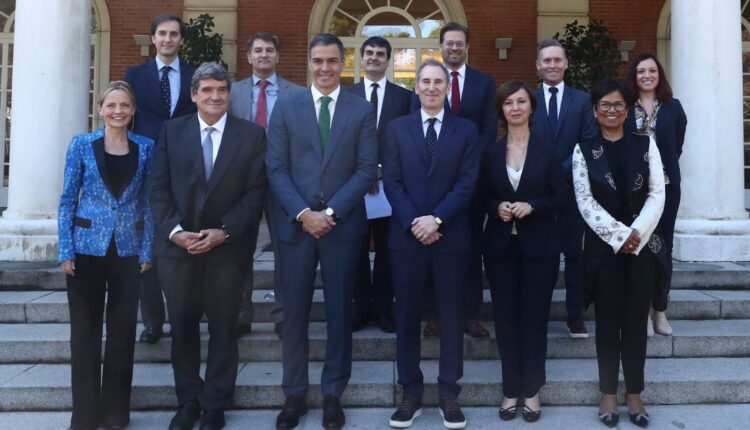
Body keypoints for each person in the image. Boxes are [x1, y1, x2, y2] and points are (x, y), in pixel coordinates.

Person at [266, 33, 377, 430]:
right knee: (293, 314)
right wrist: (303, 213)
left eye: (332, 60)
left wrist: (329, 212)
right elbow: (276, 168)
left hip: (341, 227)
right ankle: (294, 394)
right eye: (318, 60)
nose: (325, 68)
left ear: (343, 63)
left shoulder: (361, 110)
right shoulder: (286, 107)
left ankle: (333, 393)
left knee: (339, 314)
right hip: (295, 228)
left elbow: (366, 168)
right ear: (309, 63)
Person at [150, 62, 267, 430]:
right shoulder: (171, 132)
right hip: (178, 249)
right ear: (194, 95)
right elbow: (157, 187)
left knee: (224, 329)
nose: (215, 96)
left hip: (227, 251)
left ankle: (215, 402)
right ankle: (188, 401)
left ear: (229, 94)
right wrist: (175, 231)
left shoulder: (251, 135)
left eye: (222, 90)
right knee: (182, 328)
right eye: (207, 90)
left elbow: (256, 192)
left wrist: (224, 232)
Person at [384, 59, 480, 430]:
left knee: (451, 317)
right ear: (416, 86)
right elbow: (392, 183)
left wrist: (436, 219)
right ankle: (410, 391)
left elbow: (467, 183)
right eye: (425, 81)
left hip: (450, 238)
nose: (431, 87)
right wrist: (416, 222)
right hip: (407, 239)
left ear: (447, 87)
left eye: (438, 82)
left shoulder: (465, 130)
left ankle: (448, 392)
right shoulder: (397, 129)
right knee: (407, 317)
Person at [57, 80, 154, 430]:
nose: (118, 111)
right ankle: (84, 414)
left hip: (128, 250)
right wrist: (65, 249)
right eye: (111, 105)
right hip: (86, 250)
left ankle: (115, 413)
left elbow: (149, 202)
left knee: (122, 334)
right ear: (100, 109)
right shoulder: (81, 145)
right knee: (84, 335)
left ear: (133, 110)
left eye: (124, 105)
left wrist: (147, 249)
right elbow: (67, 199)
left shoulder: (146, 147)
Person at [572, 79, 667, 428]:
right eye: (605, 105)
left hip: (641, 247)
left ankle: (635, 394)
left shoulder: (645, 144)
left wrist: (635, 233)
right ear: (595, 111)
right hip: (603, 250)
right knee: (607, 324)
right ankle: (608, 393)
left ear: (627, 111)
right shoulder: (584, 149)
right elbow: (585, 200)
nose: (611, 111)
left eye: (618, 105)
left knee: (636, 324)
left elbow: (657, 193)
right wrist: (618, 235)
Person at [480, 81, 566, 423]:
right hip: (500, 247)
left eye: (521, 102)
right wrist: (496, 207)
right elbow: (481, 196)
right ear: (501, 110)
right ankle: (509, 390)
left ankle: (531, 390)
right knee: (505, 320)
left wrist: (533, 206)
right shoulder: (490, 153)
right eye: (508, 103)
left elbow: (560, 196)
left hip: (539, 247)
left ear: (531, 107)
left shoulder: (547, 150)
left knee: (534, 320)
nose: (515, 108)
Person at [418, 22, 497, 339]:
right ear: (440, 46)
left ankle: (469, 314)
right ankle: (434, 314)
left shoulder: (484, 83)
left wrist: (468, 167)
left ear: (467, 47)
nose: (453, 47)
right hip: (432, 183)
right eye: (448, 43)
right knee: (431, 245)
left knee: (470, 248)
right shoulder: (429, 81)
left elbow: (489, 129)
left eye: (459, 43)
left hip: (470, 183)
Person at [124, 13, 197, 344]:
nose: (168, 39)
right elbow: (126, 119)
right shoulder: (134, 75)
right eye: (162, 34)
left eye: (174, 34)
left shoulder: (195, 75)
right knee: (149, 245)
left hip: (187, 168)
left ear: (181, 39)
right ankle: (153, 321)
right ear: (153, 38)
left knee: (184, 239)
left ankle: (186, 317)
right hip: (146, 167)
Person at [228, 31, 304, 338]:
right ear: (248, 56)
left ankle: (284, 314)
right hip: (241, 181)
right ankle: (240, 313)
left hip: (283, 180)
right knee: (239, 248)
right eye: (257, 50)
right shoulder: (231, 92)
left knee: (285, 248)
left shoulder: (297, 93)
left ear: (277, 56)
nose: (263, 55)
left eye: (269, 50)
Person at [531, 38, 598, 339]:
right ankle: (537, 313)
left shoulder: (582, 100)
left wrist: (557, 173)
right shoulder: (527, 99)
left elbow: (588, 142)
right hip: (536, 193)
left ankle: (575, 315)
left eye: (557, 60)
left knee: (574, 255)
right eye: (547, 60)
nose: (552, 65)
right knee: (539, 256)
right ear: (538, 65)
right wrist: (542, 175)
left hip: (572, 190)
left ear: (566, 64)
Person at [347, 36, 412, 333]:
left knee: (388, 251)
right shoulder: (346, 95)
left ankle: (384, 309)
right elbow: (342, 141)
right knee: (356, 251)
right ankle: (361, 308)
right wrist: (365, 172)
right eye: (369, 53)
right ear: (361, 58)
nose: (374, 57)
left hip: (391, 187)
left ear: (388, 60)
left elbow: (407, 139)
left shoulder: (404, 97)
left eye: (380, 54)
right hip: (353, 187)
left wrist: (382, 170)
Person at [625, 53, 688, 337]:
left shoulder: (673, 107)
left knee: (664, 250)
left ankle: (659, 310)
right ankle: (641, 314)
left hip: (666, 188)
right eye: (641, 71)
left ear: (659, 74)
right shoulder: (625, 106)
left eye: (652, 70)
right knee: (637, 248)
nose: (647, 75)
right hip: (632, 191)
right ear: (634, 76)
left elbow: (677, 144)